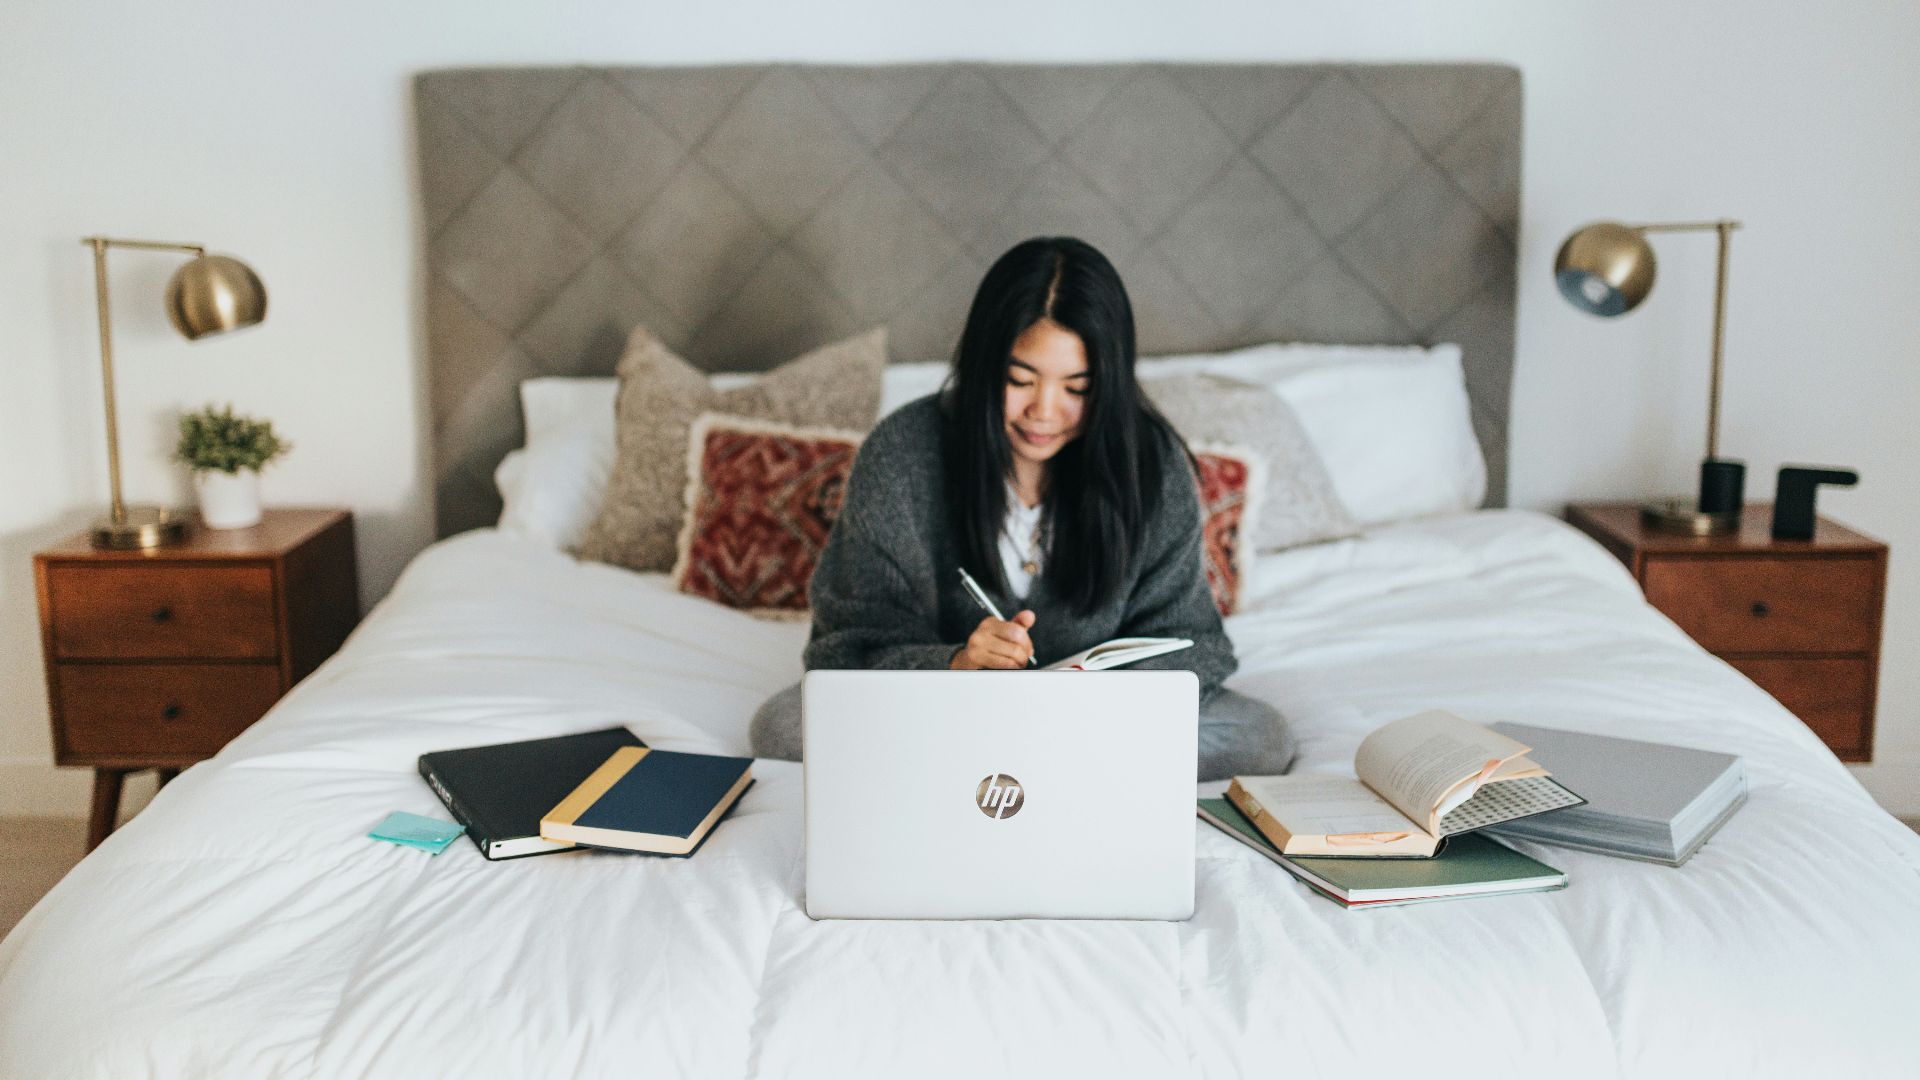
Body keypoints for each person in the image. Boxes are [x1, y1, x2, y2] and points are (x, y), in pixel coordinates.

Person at [749, 236, 1295, 781]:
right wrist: (957, 663)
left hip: (1093, 719)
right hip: (943, 707)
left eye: (1077, 388)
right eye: (1019, 380)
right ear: (982, 365)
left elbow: (1192, 642)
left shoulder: (1151, 466)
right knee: (785, 726)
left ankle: (989, 769)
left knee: (1259, 736)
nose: (1044, 411)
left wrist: (1089, 697)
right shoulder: (901, 454)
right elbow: (847, 649)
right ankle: (1055, 772)